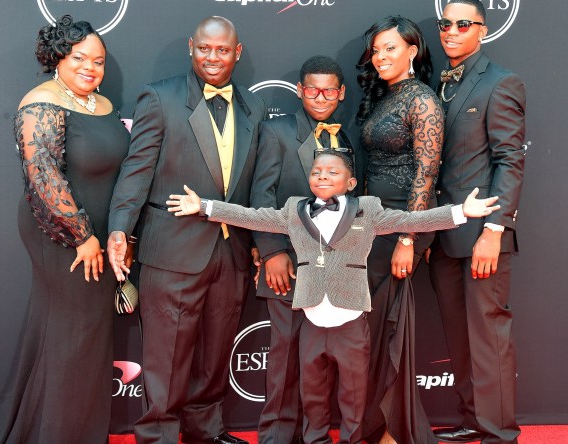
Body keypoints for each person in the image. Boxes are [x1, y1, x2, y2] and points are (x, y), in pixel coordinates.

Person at [166, 151, 500, 444]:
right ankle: (316, 439)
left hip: (351, 321)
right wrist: (205, 207)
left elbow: (411, 219)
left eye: (332, 172)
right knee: (312, 396)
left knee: (352, 397)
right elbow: (251, 216)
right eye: (317, 172)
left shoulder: (367, 211)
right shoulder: (295, 210)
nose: (322, 177)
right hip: (311, 319)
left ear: (351, 182)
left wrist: (460, 213)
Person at [0, 15, 131, 444]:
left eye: (98, 60)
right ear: (59, 57)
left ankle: (55, 428)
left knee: (77, 333)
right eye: (79, 57)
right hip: (61, 235)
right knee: (74, 332)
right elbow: (43, 179)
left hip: (99, 233)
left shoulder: (103, 104)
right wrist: (83, 236)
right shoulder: (40, 103)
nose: (90, 67)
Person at [105, 16, 266, 444]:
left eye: (222, 50)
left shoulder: (253, 105)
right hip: (172, 250)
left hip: (230, 251)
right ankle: (158, 435)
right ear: (191, 48)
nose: (212, 58)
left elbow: (256, 187)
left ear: (238, 52)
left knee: (214, 354)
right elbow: (135, 172)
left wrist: (262, 245)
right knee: (167, 356)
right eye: (204, 49)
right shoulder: (160, 98)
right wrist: (119, 229)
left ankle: (205, 431)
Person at [428, 1, 527, 443]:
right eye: (445, 23)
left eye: (462, 24)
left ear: (482, 30)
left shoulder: (501, 83)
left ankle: (499, 433)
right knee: (460, 339)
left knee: (488, 337)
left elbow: (510, 161)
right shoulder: (438, 85)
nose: (451, 30)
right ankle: (472, 420)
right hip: (444, 236)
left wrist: (494, 230)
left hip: (482, 237)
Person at [249, 55, 361, 444]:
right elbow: (261, 194)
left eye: (329, 89)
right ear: (300, 90)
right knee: (284, 355)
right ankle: (277, 436)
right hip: (289, 265)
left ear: (341, 93)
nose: (320, 96)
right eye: (312, 88)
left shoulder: (347, 138)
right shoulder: (277, 131)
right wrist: (271, 252)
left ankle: (316, 434)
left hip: (335, 272)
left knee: (321, 363)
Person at [355, 15, 443, 444]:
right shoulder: (382, 97)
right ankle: (374, 425)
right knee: (371, 331)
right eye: (376, 49)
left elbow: (426, 173)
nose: (381, 56)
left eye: (390, 47)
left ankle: (394, 431)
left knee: (392, 329)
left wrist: (409, 237)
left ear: (412, 50)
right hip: (370, 227)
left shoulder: (422, 100)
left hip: (398, 227)